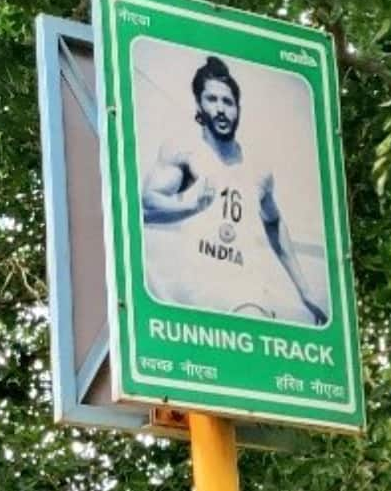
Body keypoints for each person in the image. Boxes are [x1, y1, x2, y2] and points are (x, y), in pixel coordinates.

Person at [140, 56, 328, 326]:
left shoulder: (258, 168)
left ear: (237, 108)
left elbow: (273, 223)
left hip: (246, 288)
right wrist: (191, 206)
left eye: (228, 102)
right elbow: (147, 206)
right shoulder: (184, 151)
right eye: (212, 99)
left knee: (251, 342)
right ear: (198, 104)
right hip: (197, 289)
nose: (220, 109)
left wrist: (305, 291)